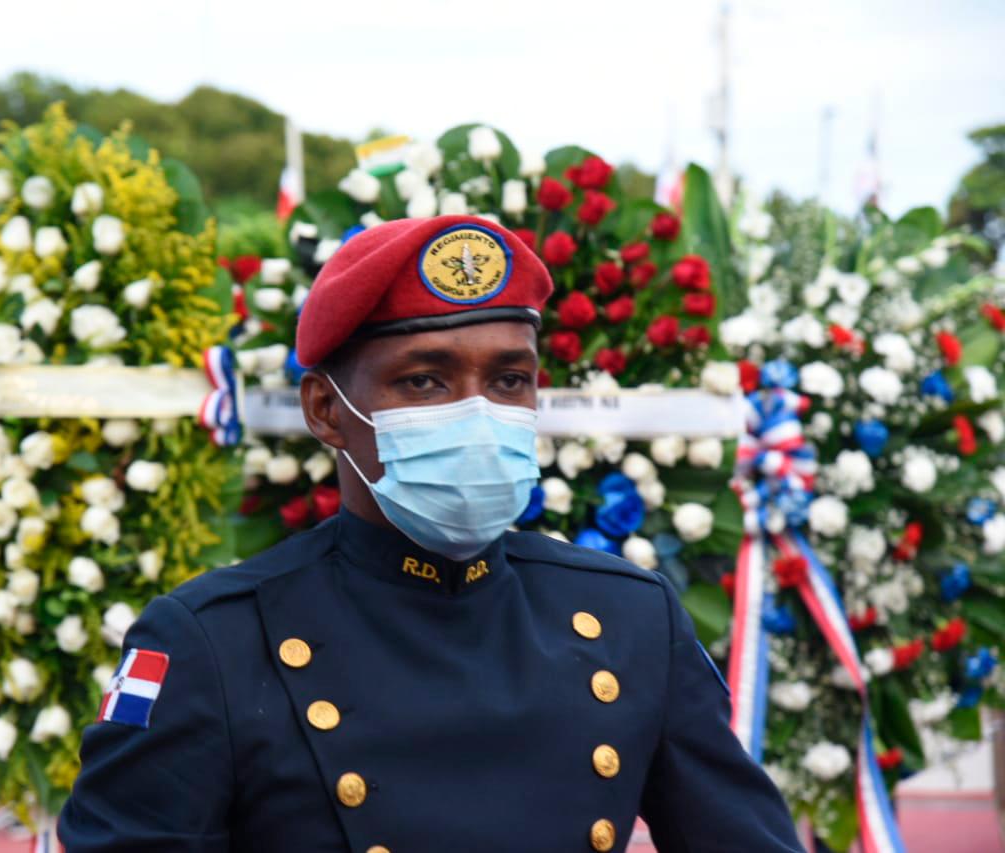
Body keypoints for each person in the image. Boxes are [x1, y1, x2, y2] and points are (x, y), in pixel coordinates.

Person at [59, 215, 804, 852]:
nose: (478, 411)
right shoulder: (210, 643)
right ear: (325, 409)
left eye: (509, 380)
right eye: (425, 380)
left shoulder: (629, 617)